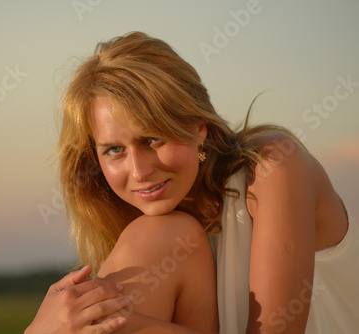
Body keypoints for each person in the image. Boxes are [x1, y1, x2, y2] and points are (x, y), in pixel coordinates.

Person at [25, 32, 359, 334]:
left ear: (199, 127)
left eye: (153, 139)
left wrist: (112, 323)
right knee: (160, 235)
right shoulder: (165, 232)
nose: (139, 171)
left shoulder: (272, 166)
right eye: (114, 150)